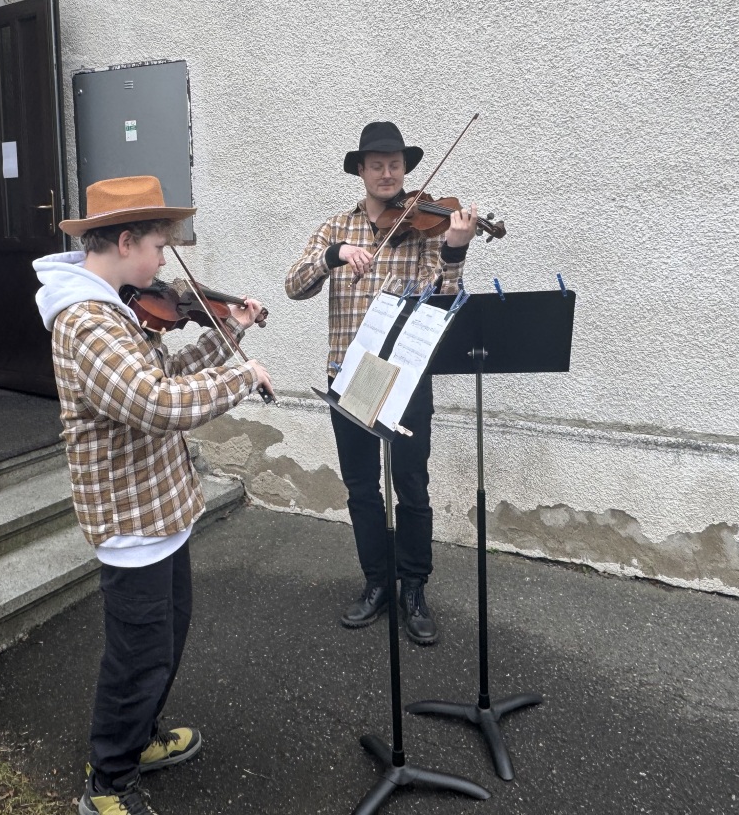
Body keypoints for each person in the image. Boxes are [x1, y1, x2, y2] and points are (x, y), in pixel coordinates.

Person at [35, 175, 272, 815]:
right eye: (159, 246)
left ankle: (137, 741)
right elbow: (155, 403)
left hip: (160, 510)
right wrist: (241, 379)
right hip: (130, 519)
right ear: (126, 241)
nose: (165, 261)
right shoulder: (87, 323)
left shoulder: (117, 309)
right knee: (136, 660)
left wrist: (229, 335)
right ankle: (108, 783)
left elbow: (163, 373)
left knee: (163, 646)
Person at [285, 121, 477, 646]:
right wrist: (333, 255)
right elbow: (294, 285)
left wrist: (455, 250)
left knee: (412, 485)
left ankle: (414, 588)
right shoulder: (334, 227)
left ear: (405, 169)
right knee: (362, 488)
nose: (387, 173)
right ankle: (376, 582)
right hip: (348, 373)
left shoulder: (423, 228)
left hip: (403, 375)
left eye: (395, 165)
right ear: (362, 171)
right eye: (377, 165)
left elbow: (445, 296)